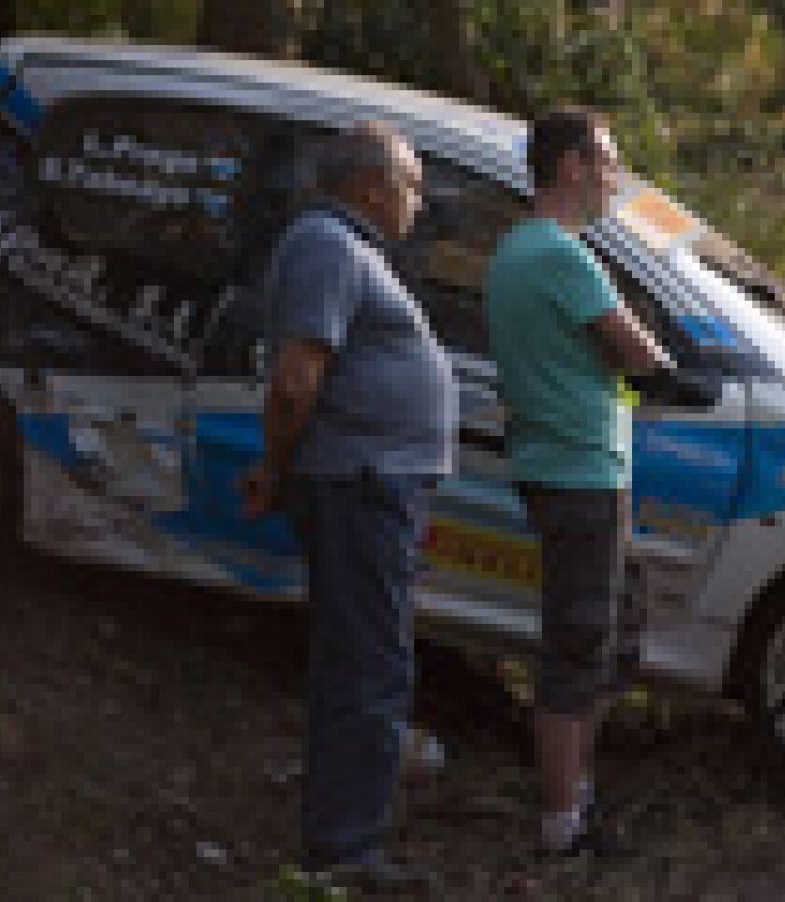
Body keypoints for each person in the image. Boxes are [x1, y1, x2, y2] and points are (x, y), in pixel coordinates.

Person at [482, 107, 716, 855]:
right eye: (608, 161)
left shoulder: (518, 248)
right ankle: (562, 821)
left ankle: (575, 797)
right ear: (572, 165)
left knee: (606, 628)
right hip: (578, 467)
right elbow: (632, 344)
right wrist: (671, 371)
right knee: (578, 644)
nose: (615, 176)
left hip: (559, 461)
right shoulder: (559, 253)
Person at [242, 120, 453, 893]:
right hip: (358, 484)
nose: (420, 204)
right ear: (371, 187)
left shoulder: (346, 249)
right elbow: (297, 379)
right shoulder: (328, 247)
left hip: (371, 486)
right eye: (414, 186)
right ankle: (344, 854)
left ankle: (341, 844)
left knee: (364, 662)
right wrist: (275, 466)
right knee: (368, 668)